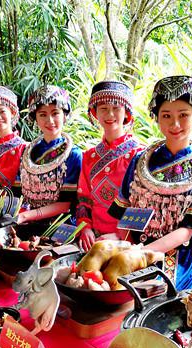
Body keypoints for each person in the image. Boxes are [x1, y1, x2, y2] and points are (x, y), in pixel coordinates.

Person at [108, 75, 192, 290]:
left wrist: (141, 255)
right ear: (156, 117)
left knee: (145, 290)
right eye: (166, 115)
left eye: (184, 115)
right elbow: (126, 217)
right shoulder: (140, 161)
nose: (174, 124)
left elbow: (188, 231)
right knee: (104, 280)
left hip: (176, 257)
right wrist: (122, 247)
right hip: (134, 247)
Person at [76, 80, 144, 251]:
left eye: (116, 108)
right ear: (95, 113)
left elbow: (142, 205)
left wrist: (121, 235)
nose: (109, 114)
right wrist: (85, 228)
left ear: (126, 113)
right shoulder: (89, 156)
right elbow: (84, 200)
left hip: (126, 242)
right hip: (93, 239)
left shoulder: (140, 155)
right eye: (103, 109)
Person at [16, 85, 82, 223]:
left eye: (55, 113)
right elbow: (18, 191)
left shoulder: (73, 155)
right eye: (43, 114)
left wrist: (26, 216)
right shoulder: (27, 152)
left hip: (60, 224)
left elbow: (66, 204)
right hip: (27, 220)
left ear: (65, 115)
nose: (50, 120)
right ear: (35, 118)